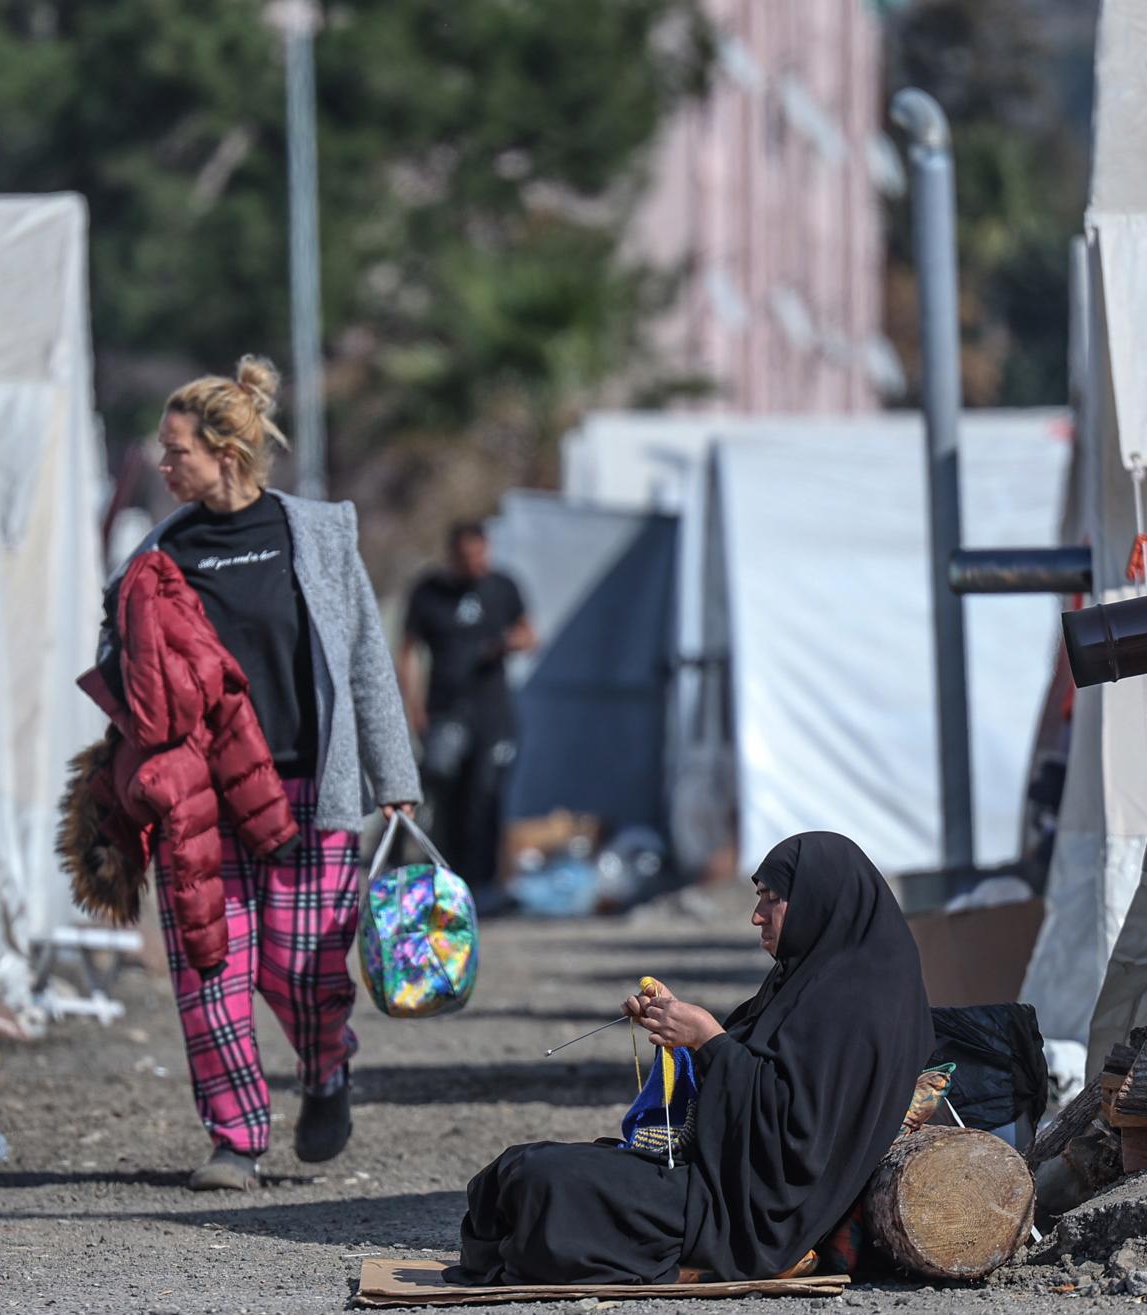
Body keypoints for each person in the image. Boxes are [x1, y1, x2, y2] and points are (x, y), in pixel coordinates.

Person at [111, 356, 421, 1192]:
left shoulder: (316, 535)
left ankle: (326, 1069)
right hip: (198, 801)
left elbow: (363, 658)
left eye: (177, 451)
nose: (164, 464)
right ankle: (236, 1139)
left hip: (311, 792)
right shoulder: (156, 553)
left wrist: (394, 773)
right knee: (211, 970)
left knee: (306, 967)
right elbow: (123, 672)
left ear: (227, 454)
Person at [451, 832, 933, 1285]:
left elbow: (798, 1139)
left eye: (772, 898)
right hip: (722, 1177)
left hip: (756, 1214)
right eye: (758, 897)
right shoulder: (808, 981)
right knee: (515, 1168)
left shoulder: (859, 1005)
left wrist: (708, 1041)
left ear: (819, 900)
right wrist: (679, 1027)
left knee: (545, 1185)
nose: (757, 916)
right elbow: (751, 1064)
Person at [398, 522, 535, 890]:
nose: (476, 563)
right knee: (443, 786)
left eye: (481, 555)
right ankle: (446, 876)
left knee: (486, 793)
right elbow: (407, 652)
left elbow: (529, 634)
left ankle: (486, 882)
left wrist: (507, 643)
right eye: (467, 557)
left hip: (493, 712)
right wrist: (413, 708)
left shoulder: (502, 587)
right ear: (452, 555)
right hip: (445, 709)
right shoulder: (428, 592)